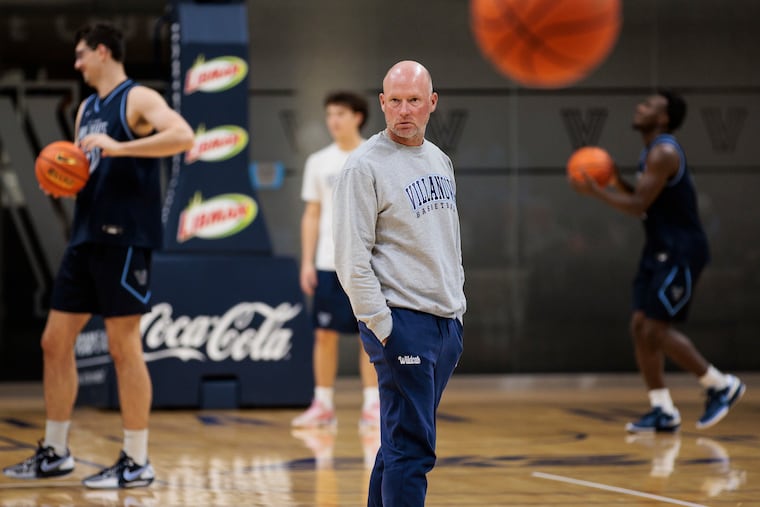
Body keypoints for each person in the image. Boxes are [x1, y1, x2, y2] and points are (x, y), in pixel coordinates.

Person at [3, 23, 194, 488]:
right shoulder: (86, 108)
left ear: (103, 52)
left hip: (126, 238)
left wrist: (122, 146)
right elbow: (88, 168)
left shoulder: (138, 99)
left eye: (81, 54)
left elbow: (184, 136)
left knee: (122, 347)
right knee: (54, 341)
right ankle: (55, 450)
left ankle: (136, 460)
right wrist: (62, 180)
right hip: (86, 236)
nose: (76, 63)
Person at [570, 89, 745, 433]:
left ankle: (719, 384)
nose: (640, 106)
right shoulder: (652, 151)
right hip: (659, 249)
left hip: (682, 250)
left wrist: (597, 191)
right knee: (640, 326)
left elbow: (638, 207)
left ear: (663, 118)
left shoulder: (664, 152)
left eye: (649, 105)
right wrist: (613, 178)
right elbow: (642, 196)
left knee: (655, 329)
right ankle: (663, 409)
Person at [332, 60, 466, 507]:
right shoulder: (363, 167)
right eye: (395, 101)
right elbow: (351, 260)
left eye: (414, 101)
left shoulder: (439, 159)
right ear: (382, 104)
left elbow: (447, 240)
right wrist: (382, 325)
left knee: (399, 444)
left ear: (432, 103)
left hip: (445, 324)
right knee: (412, 449)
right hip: (402, 323)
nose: (404, 111)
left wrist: (457, 310)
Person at [291, 92, 380, 429]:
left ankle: (372, 405)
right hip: (329, 262)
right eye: (329, 114)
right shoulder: (318, 161)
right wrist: (307, 263)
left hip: (368, 263)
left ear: (358, 116)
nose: (333, 120)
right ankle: (323, 405)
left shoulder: (375, 155)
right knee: (324, 334)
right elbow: (311, 214)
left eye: (340, 113)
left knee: (369, 334)